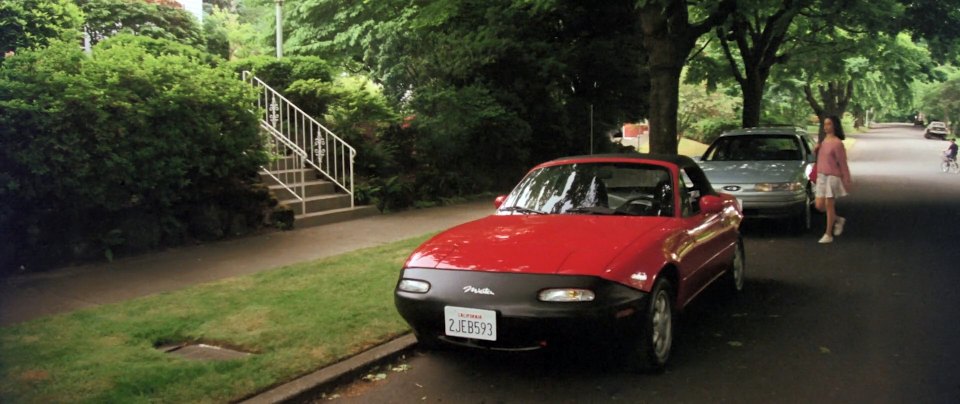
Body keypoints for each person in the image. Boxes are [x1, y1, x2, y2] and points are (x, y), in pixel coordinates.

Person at [814, 115, 853, 244]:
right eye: (825, 124)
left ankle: (828, 234)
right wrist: (816, 151)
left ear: (835, 126)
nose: (826, 127)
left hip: (833, 176)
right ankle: (838, 219)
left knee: (829, 205)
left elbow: (843, 163)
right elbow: (821, 159)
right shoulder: (823, 141)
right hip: (821, 175)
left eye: (829, 124)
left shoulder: (837, 143)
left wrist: (846, 179)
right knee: (819, 205)